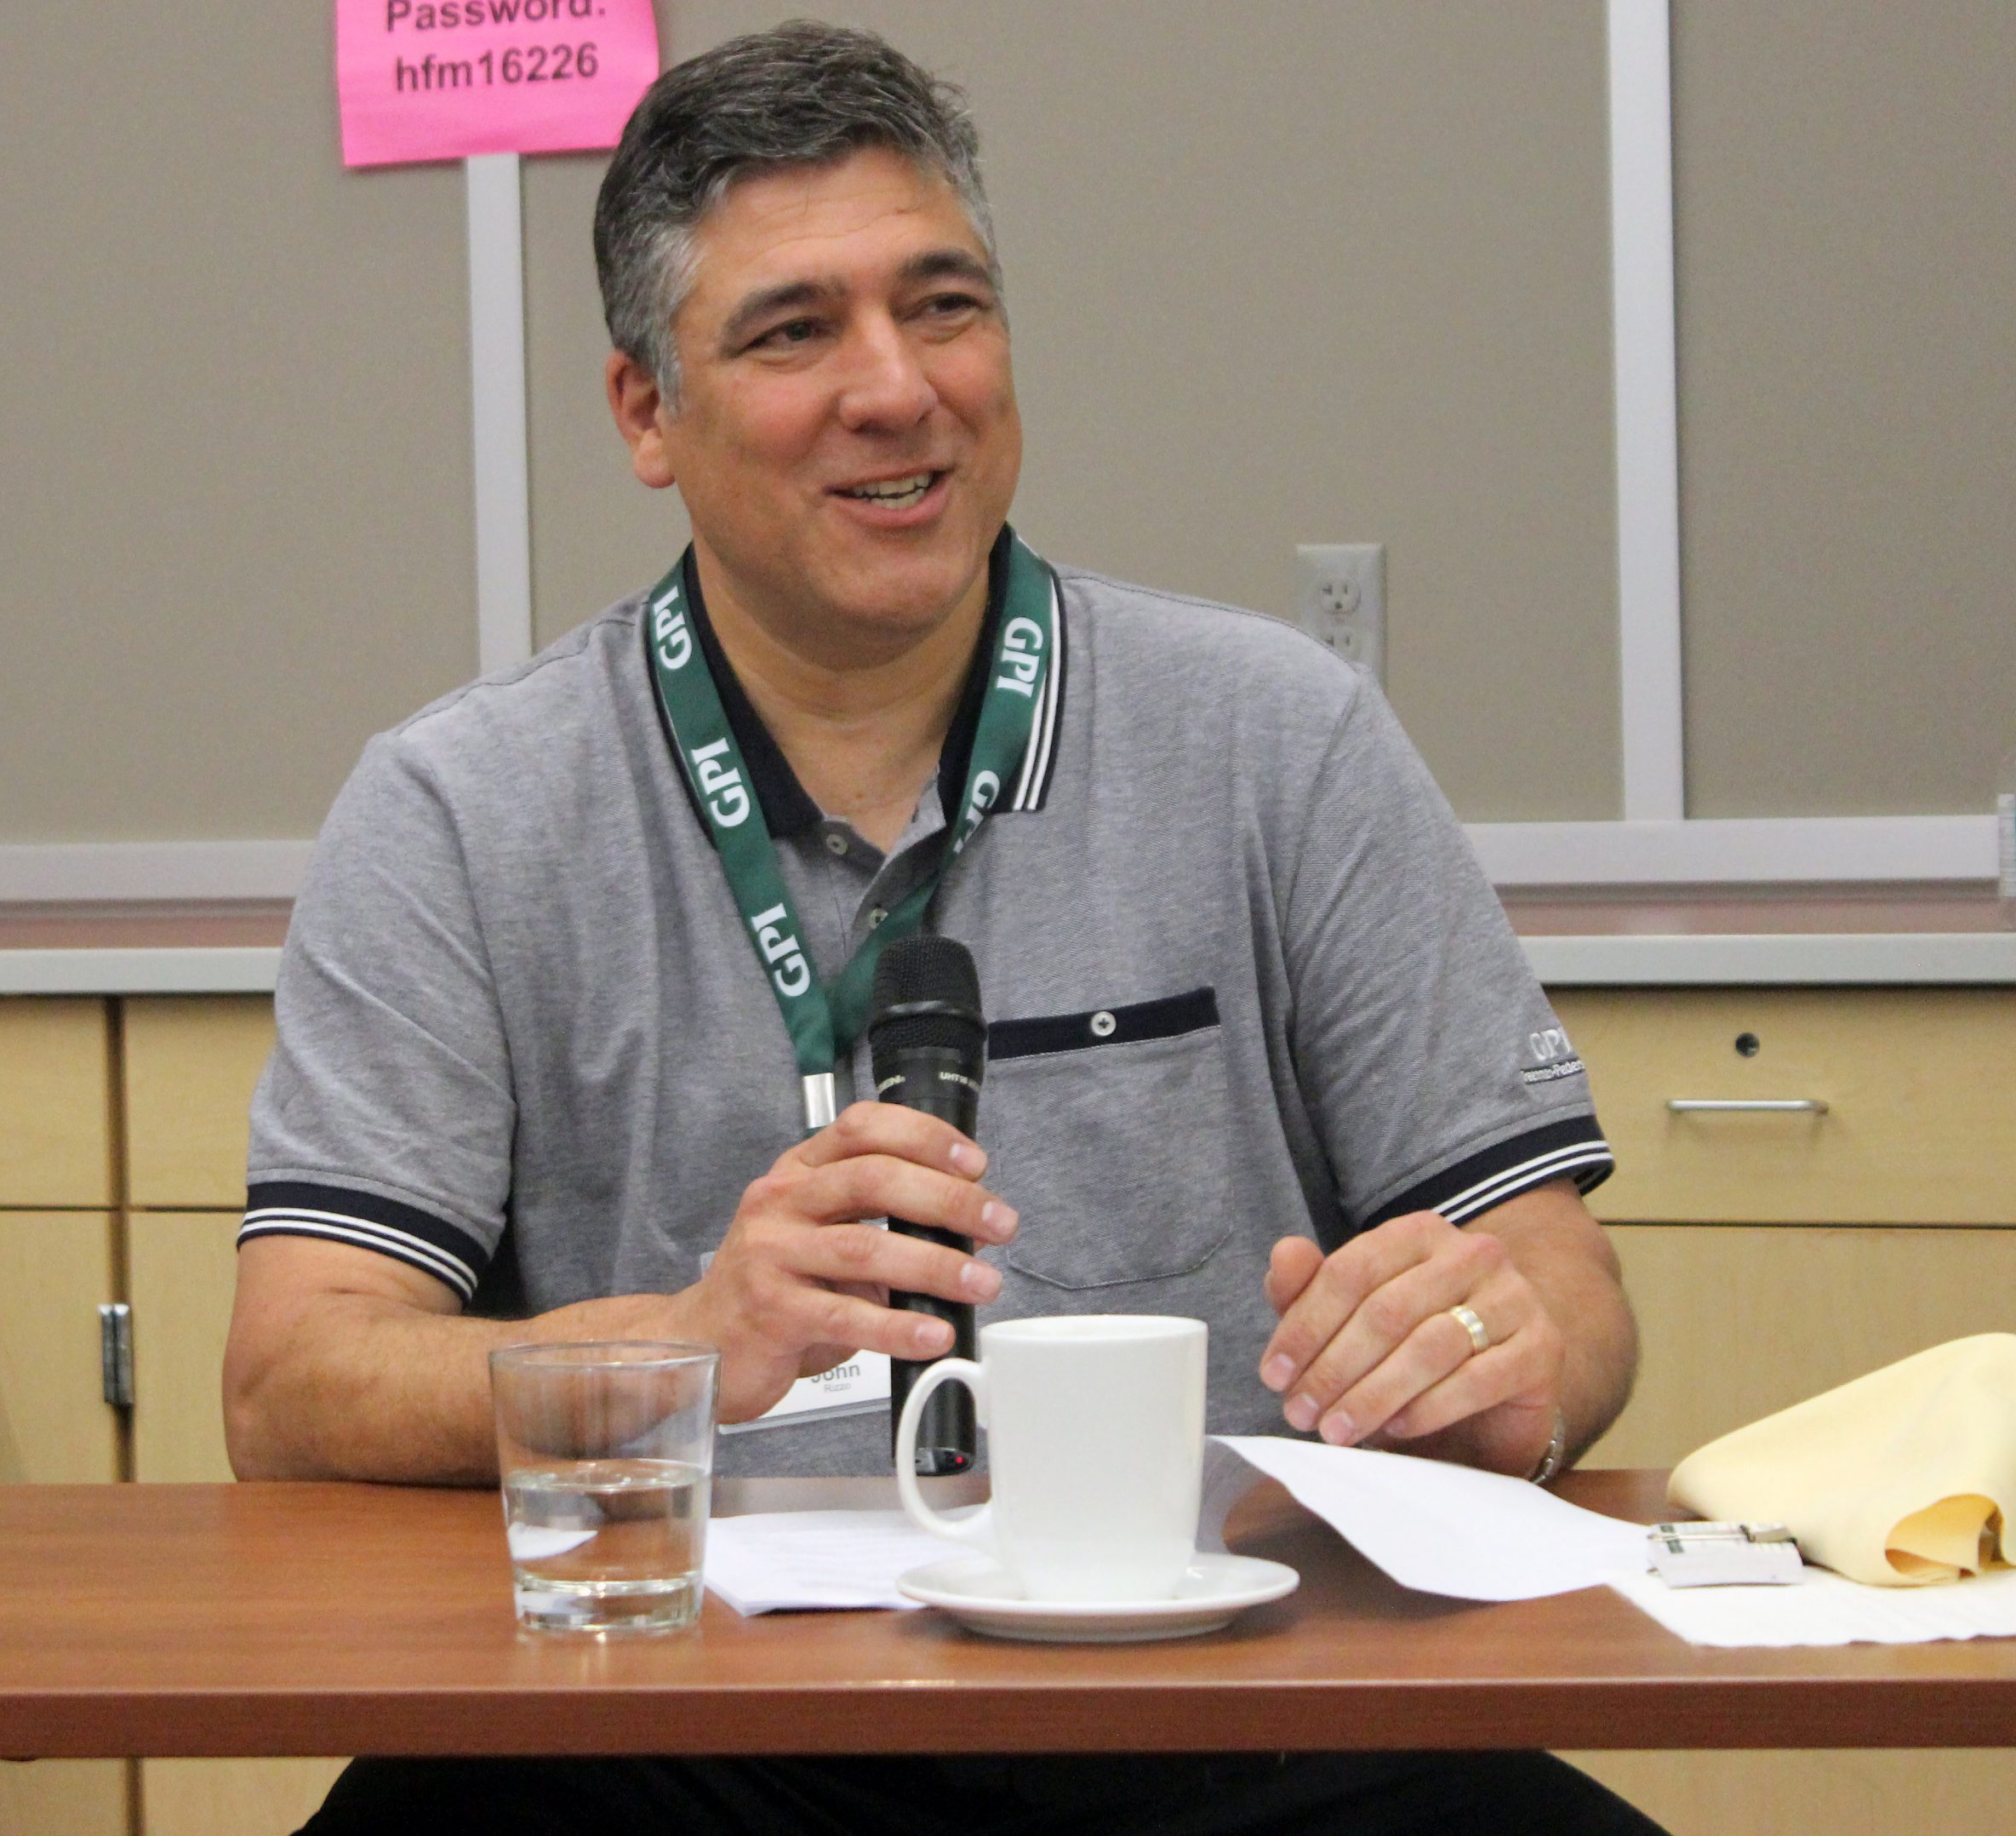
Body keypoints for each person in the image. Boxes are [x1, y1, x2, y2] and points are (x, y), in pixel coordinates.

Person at [225, 23, 1658, 1835]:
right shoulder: (460, 807)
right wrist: (681, 1337)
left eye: (943, 304)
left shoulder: (1271, 735)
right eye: (790, 330)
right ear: (644, 414)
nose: (895, 388)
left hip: (1239, 1721)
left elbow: (1565, 1292)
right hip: (673, 1739)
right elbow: (290, 1379)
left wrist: (1498, 1368)